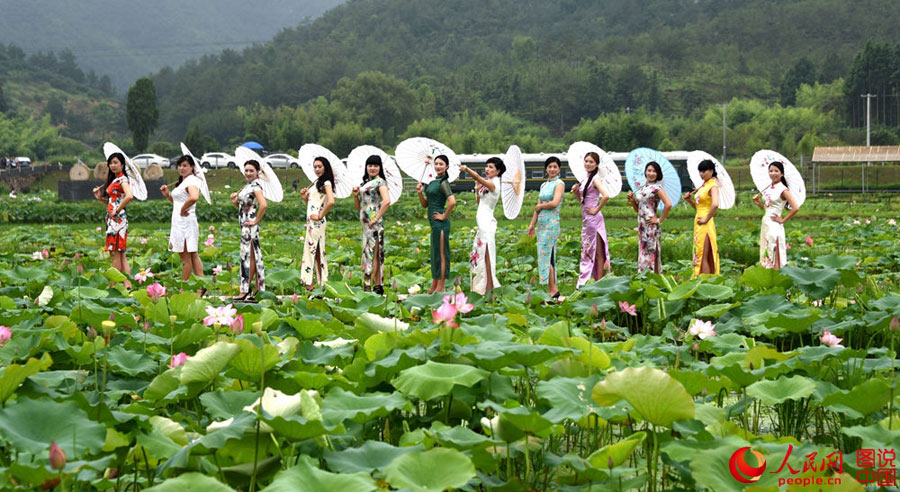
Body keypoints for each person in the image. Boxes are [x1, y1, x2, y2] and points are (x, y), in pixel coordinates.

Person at [460, 156, 504, 296]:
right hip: (481, 221)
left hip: (487, 221)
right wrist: (477, 188)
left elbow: (478, 177)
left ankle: (490, 287)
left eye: (491, 167)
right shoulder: (488, 183)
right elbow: (479, 202)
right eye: (487, 166)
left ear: (498, 171)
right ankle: (483, 286)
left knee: (486, 253)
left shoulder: (495, 183)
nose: (487, 169)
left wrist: (466, 169)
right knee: (480, 252)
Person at [161, 155, 205, 286]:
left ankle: (183, 287)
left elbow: (194, 197)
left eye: (185, 165)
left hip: (184, 222)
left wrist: (182, 209)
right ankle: (201, 286)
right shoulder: (185, 181)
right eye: (180, 165)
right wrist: (168, 195)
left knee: (185, 258)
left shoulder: (191, 181)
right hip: (183, 221)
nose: (181, 168)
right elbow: (178, 202)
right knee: (192, 255)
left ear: (192, 167)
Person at [93, 152, 134, 288]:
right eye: (111, 163)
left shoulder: (122, 180)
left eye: (116, 162)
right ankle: (127, 285)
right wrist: (100, 198)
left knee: (115, 252)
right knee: (120, 254)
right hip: (113, 219)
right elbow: (112, 202)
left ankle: (114, 284)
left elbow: (129, 196)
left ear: (122, 164)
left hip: (117, 220)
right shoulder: (115, 180)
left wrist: (117, 210)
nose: (113, 165)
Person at [416, 155, 456, 294]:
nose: (438, 166)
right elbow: (425, 204)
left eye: (441, 164)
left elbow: (452, 201)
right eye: (436, 163)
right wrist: (420, 193)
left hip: (440, 224)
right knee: (435, 255)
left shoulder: (444, 183)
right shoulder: (433, 182)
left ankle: (441, 286)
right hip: (434, 224)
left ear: (446, 167)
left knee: (442, 255)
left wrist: (444, 215)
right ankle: (434, 285)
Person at [352, 155, 390, 294]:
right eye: (370, 165)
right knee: (367, 252)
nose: (372, 168)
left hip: (374, 223)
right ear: (366, 167)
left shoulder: (381, 183)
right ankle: (372, 284)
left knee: (374, 253)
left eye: (375, 166)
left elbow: (386, 201)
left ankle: (374, 285)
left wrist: (376, 217)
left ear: (380, 168)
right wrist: (355, 195)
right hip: (365, 223)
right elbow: (358, 207)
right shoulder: (364, 184)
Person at [527, 156, 565, 299]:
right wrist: (532, 225)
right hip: (541, 225)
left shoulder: (559, 184)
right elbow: (537, 208)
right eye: (550, 167)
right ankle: (552, 289)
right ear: (546, 169)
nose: (552, 169)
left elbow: (554, 203)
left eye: (555, 167)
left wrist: (541, 206)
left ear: (559, 169)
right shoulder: (543, 185)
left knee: (546, 256)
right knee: (545, 256)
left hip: (552, 223)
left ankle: (553, 289)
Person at [572, 152, 611, 288]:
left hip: (594, 220)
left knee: (598, 252)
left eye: (591, 162)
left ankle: (598, 281)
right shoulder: (586, 179)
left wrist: (596, 209)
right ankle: (592, 281)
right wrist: (577, 193)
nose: (588, 164)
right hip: (587, 220)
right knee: (588, 251)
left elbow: (606, 196)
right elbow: (583, 203)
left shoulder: (596, 179)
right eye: (586, 161)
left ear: (596, 165)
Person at [230, 159, 267, 300]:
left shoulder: (256, 186)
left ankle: (245, 290)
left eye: (251, 170)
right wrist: (235, 202)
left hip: (250, 227)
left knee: (247, 258)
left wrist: (255, 221)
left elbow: (263, 205)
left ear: (258, 172)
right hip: (245, 226)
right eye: (246, 170)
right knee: (252, 256)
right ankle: (256, 289)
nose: (248, 173)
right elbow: (244, 208)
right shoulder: (248, 186)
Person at [626, 161, 672, 274]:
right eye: (649, 170)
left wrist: (659, 220)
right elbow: (638, 210)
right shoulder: (642, 188)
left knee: (652, 251)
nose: (651, 173)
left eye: (654, 171)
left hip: (651, 225)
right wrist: (632, 201)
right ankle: (644, 276)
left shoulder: (657, 188)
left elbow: (668, 204)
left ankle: (654, 276)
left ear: (658, 174)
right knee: (643, 251)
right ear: (645, 172)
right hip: (642, 225)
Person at [753, 161, 800, 269]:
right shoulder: (768, 188)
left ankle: (777, 274)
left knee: (773, 249)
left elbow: (795, 208)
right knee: (765, 249)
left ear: (781, 174)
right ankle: (767, 275)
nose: (773, 173)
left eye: (776, 171)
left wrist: (783, 220)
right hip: (766, 222)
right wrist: (759, 203)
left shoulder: (783, 190)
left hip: (774, 225)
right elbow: (767, 208)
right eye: (771, 171)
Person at [300, 157, 335, 289]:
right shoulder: (318, 183)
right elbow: (314, 205)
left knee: (312, 250)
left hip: (317, 222)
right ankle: (320, 283)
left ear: (325, 167)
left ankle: (311, 283)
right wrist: (305, 198)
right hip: (312, 221)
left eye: (320, 166)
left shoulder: (326, 182)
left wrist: (320, 215)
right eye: (315, 167)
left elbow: (331, 201)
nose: (317, 169)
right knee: (316, 251)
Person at [683, 159, 720, 276]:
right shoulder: (703, 186)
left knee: (704, 254)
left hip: (705, 224)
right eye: (700, 171)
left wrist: (706, 219)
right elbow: (698, 207)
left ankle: (704, 281)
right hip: (698, 221)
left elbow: (715, 204)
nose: (701, 174)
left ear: (711, 171)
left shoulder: (713, 186)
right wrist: (690, 200)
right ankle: (702, 280)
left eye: (704, 171)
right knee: (699, 252)